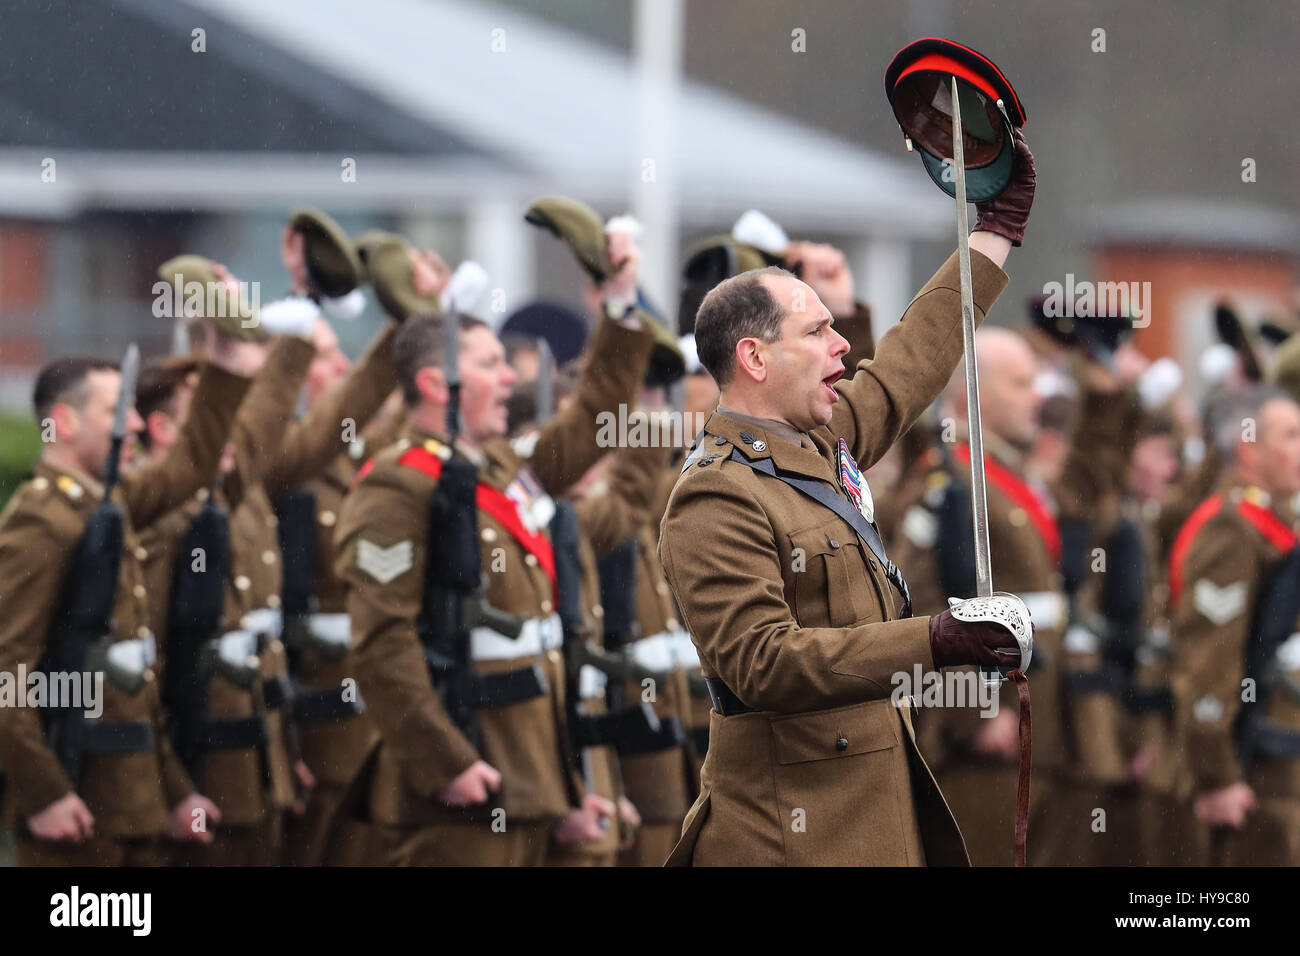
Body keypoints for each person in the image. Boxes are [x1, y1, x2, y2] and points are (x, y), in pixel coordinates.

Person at [658, 133, 1037, 866]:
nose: (842, 344)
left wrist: (995, 233)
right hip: (784, 834)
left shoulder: (819, 444)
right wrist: (932, 640)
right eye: (819, 328)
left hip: (869, 813)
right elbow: (764, 663)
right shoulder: (716, 493)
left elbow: (910, 360)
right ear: (754, 357)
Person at [334, 231, 656, 865]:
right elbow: (382, 644)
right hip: (460, 786)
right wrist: (445, 763)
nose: (510, 378)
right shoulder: (397, 484)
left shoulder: (500, 469)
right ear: (436, 381)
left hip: (528, 784)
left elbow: (597, 415)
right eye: (489, 365)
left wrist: (619, 307)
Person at [0, 322, 254, 866]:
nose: (135, 422)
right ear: (64, 422)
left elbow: (132, 680)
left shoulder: (104, 508)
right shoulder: (41, 520)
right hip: (75, 805)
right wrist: (44, 793)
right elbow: (7, 672)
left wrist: (176, 789)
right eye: (117, 411)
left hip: (130, 801)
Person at [1168, 386, 1300, 866]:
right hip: (1254, 768)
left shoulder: (1271, 521)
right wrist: (1217, 774)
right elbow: (1209, 658)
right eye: (1291, 435)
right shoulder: (1232, 529)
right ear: (1249, 448)